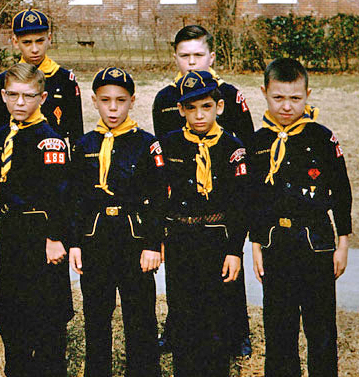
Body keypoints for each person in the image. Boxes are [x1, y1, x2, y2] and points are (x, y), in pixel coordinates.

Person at [152, 24, 253, 356]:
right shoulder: (166, 99)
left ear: (211, 56)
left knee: (227, 274)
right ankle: (176, 327)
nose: (192, 63)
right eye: (185, 56)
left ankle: (237, 331)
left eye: (198, 55)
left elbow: (244, 147)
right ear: (175, 58)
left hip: (222, 193)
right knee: (182, 279)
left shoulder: (230, 96)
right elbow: (166, 154)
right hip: (185, 200)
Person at [250, 58, 351, 377]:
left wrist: (343, 242)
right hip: (275, 245)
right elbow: (253, 197)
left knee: (321, 330)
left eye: (295, 98)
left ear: (308, 94)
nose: (286, 106)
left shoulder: (322, 138)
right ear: (264, 92)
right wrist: (255, 243)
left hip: (316, 245)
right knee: (280, 330)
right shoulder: (258, 142)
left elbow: (341, 192)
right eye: (278, 97)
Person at [68, 67, 164, 377]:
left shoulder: (147, 144)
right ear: (94, 101)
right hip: (95, 240)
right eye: (106, 100)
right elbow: (76, 198)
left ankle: (145, 370)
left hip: (134, 240)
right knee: (96, 314)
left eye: (121, 100)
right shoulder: (83, 146)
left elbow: (158, 198)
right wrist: (74, 243)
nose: (113, 108)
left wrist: (153, 244)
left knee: (140, 314)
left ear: (132, 101)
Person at [0, 63, 74, 377]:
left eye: (28, 96)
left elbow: (61, 193)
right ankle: (18, 365)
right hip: (11, 229)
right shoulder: (5, 133)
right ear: (3, 96)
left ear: (42, 98)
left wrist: (55, 237)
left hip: (41, 232)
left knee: (48, 307)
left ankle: (51, 367)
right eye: (12, 95)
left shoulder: (48, 140)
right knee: (10, 305)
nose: (20, 102)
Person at [0, 9, 83, 149]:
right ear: (16, 42)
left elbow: (76, 133)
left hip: (54, 157)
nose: (34, 49)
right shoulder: (4, 80)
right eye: (27, 42)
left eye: (40, 41)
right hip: (17, 156)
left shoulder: (65, 79)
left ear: (49, 39)